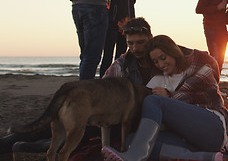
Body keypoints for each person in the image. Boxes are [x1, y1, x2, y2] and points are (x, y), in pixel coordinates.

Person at [0, 18, 156, 155]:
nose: (135, 48)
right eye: (130, 43)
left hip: (141, 118)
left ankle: (24, 147)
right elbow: (104, 86)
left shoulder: (161, 58)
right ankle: (8, 144)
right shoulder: (122, 64)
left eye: (140, 42)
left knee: (80, 135)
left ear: (150, 38)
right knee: (50, 124)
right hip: (110, 114)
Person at [102, 35, 228, 161]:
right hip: (185, 137)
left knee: (153, 100)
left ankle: (135, 157)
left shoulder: (199, 69)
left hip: (211, 128)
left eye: (163, 58)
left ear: (173, 53)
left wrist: (169, 96)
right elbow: (146, 110)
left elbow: (188, 97)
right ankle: (206, 157)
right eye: (155, 61)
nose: (160, 64)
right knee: (132, 140)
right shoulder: (158, 80)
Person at [196, 0, 228, 74]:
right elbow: (198, 10)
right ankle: (212, 85)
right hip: (211, 28)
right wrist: (217, 7)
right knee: (214, 58)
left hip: (222, 29)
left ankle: (216, 86)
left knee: (220, 60)